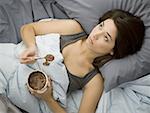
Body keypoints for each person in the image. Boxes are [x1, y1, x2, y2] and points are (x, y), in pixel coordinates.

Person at [0, 9, 145, 113]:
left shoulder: (94, 81)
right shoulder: (73, 28)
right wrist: (32, 46)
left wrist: (48, 98)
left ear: (113, 50)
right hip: (8, 63)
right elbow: (28, 28)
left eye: (106, 37)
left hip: (21, 96)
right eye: (101, 26)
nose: (96, 34)